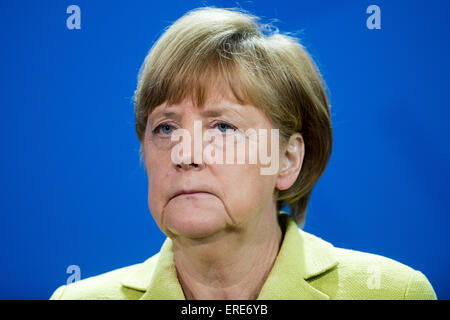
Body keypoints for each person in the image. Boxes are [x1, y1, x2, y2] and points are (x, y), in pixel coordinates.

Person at [50, 7, 436, 300]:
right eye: (166, 128)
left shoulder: (393, 292)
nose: (185, 154)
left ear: (286, 160)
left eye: (223, 127)